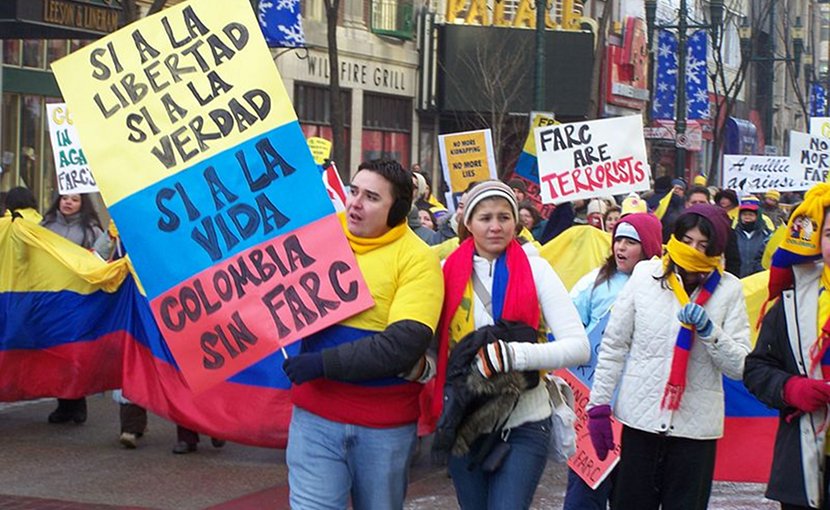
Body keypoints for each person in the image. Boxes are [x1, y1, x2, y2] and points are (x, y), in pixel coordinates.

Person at [282, 159, 443, 509]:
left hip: (383, 429)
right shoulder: (318, 237)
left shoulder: (418, 260)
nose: (355, 202)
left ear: (397, 210)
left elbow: (402, 346)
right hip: (314, 420)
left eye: (371, 197)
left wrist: (322, 363)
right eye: (354, 191)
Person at [430, 180, 590, 510]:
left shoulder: (537, 269)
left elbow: (578, 347)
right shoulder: (445, 272)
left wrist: (513, 355)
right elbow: (432, 347)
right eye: (485, 217)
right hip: (465, 421)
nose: (495, 226)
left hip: (525, 419)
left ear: (516, 222)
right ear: (468, 223)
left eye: (504, 217)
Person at [588, 204, 751, 509]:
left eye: (703, 245)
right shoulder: (644, 276)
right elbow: (614, 346)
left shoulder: (729, 290)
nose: (693, 250)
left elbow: (740, 366)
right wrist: (599, 405)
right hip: (641, 422)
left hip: (695, 432)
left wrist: (709, 331)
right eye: (687, 241)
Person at [563, 213, 663, 510]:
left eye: (630, 242)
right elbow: (567, 329)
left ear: (648, 246)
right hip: (594, 404)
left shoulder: (666, 288)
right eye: (618, 239)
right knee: (584, 494)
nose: (620, 247)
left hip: (639, 411)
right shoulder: (592, 283)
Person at [744, 183, 830, 510]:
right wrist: (791, 389)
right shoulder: (790, 304)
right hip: (803, 467)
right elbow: (757, 369)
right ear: (818, 240)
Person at [41, 193, 105, 425]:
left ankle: (77, 402)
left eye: (74, 199)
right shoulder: (45, 226)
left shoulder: (91, 230)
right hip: (50, 298)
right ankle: (63, 403)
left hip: (78, 299)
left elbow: (100, 259)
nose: (68, 202)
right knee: (57, 352)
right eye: (65, 198)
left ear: (82, 204)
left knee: (74, 352)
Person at [735, 196, 771, 278]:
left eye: (751, 214)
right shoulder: (732, 234)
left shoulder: (767, 235)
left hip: (758, 280)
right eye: (744, 214)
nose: (747, 217)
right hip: (737, 279)